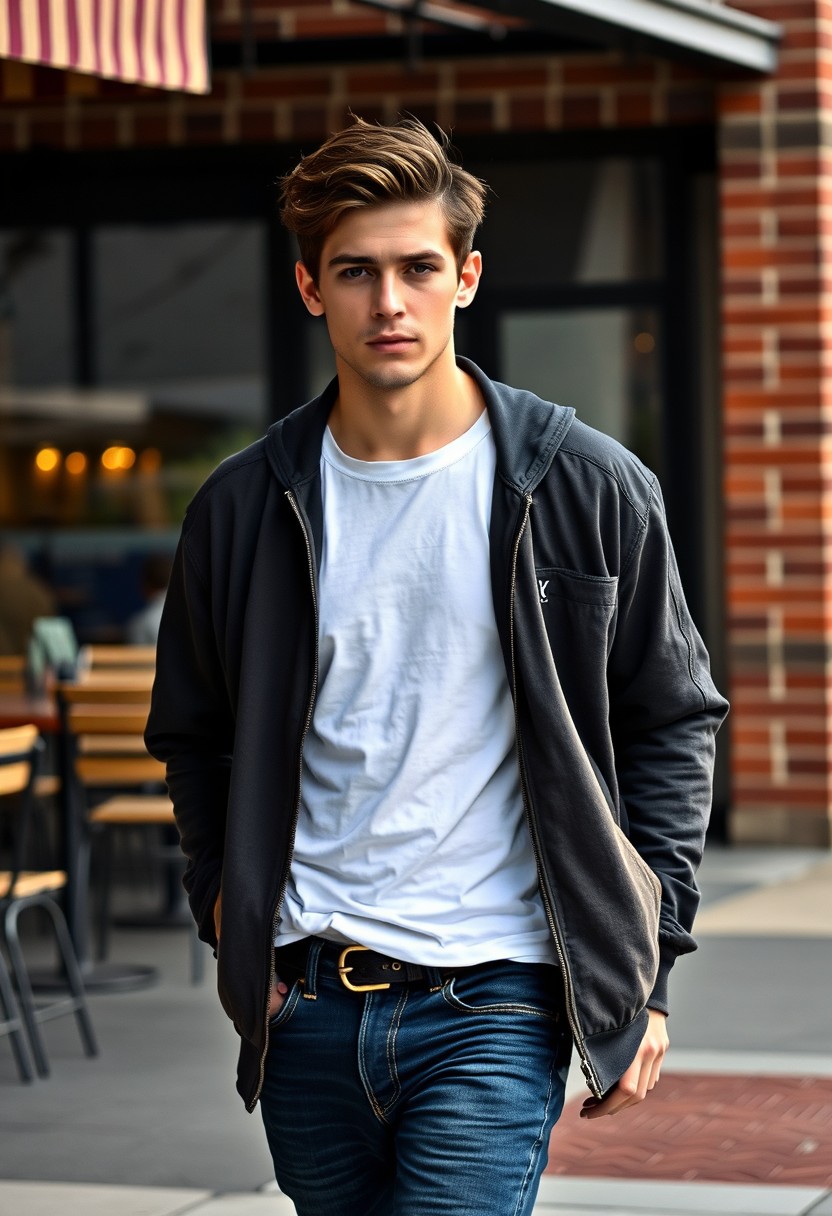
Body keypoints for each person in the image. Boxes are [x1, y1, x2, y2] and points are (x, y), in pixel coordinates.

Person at [146, 116, 729, 1215]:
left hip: (496, 1002)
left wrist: (645, 963)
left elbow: (669, 720)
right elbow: (194, 734)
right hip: (306, 1002)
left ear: (465, 275)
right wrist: (227, 906)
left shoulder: (585, 486)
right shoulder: (241, 508)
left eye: (417, 268)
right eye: (356, 272)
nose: (390, 303)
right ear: (312, 288)